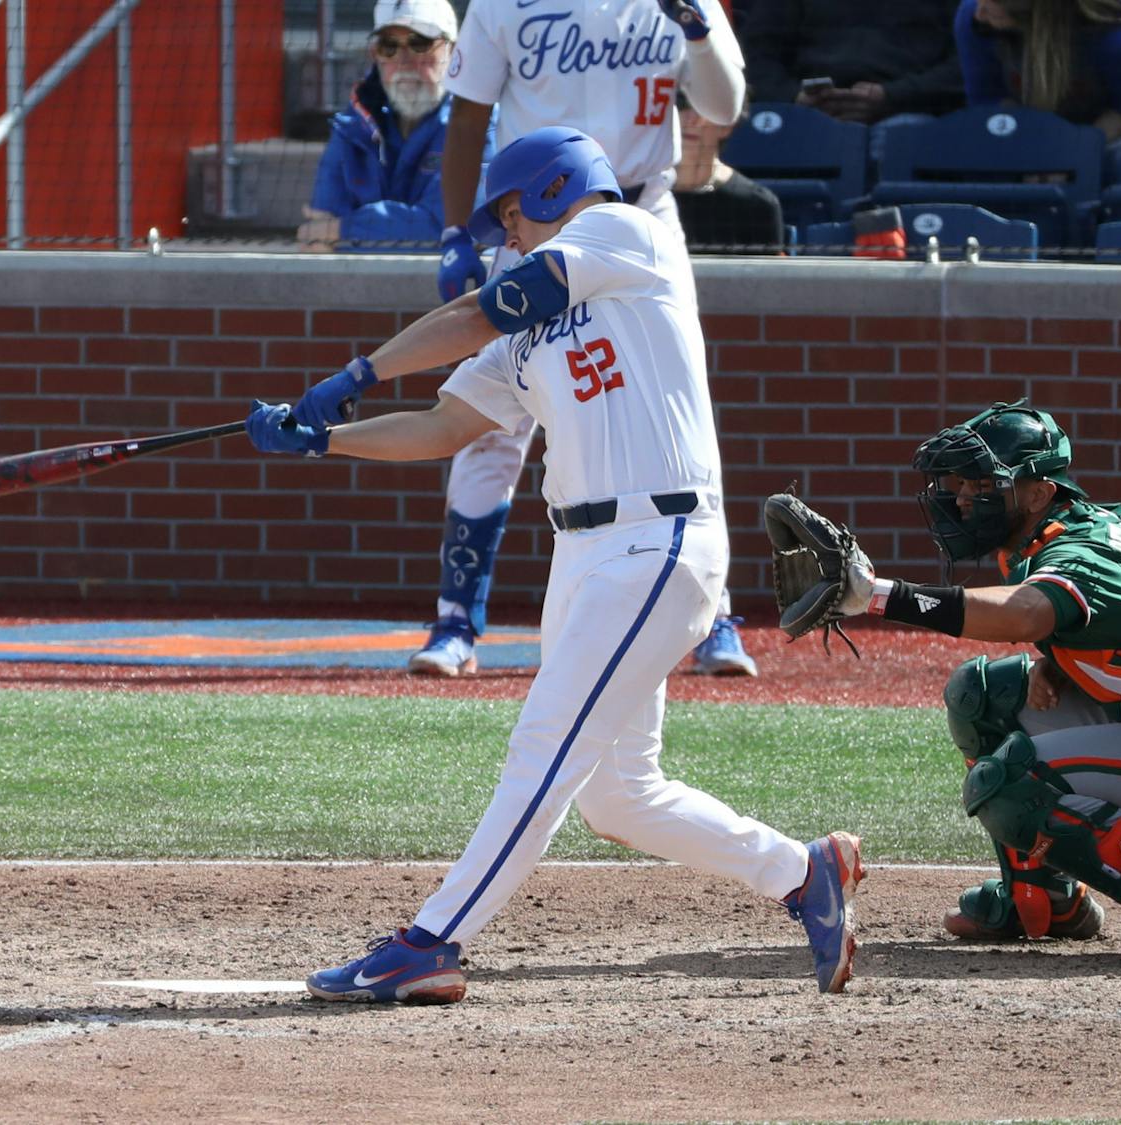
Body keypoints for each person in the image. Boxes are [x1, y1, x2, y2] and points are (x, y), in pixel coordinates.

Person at [248, 127, 864, 1002]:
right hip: (582, 553)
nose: (506, 235)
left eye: (511, 213)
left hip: (661, 540)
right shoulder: (525, 330)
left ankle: (432, 941)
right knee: (621, 795)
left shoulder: (625, 234)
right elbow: (443, 428)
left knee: (544, 745)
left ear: (551, 189)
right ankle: (805, 873)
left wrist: (358, 369)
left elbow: (473, 314)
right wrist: (326, 441)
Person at [408, 0, 761, 678]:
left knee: (677, 402)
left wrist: (696, 23)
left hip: (640, 208)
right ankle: (456, 618)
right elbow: (471, 111)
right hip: (533, 222)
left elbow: (723, 105)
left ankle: (711, 611)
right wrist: (458, 231)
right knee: (493, 419)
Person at [817, 400, 1121, 956]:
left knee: (1007, 782)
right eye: (959, 484)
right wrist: (1064, 655)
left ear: (1037, 493)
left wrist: (879, 597)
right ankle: (1045, 899)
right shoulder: (1046, 536)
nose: (960, 499)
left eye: (980, 485)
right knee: (983, 695)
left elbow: (1024, 613)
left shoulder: (1089, 550)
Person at [297, 0, 483, 252]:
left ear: (453, 51)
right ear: (375, 55)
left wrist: (341, 230)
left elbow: (452, 227)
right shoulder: (352, 126)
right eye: (389, 47)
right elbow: (317, 234)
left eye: (420, 44)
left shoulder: (477, 124)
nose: (404, 62)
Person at [739, 0, 965, 154]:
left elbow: (966, 65)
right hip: (807, 113)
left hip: (907, 112)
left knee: (904, 138)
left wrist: (893, 96)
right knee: (767, 133)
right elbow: (755, 57)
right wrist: (794, 97)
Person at [954, 0, 1121, 144]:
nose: (978, 14)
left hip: (1100, 135)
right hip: (1022, 131)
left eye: (992, 5)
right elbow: (988, 100)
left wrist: (1070, 152)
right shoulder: (973, 18)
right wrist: (1030, 148)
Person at [673, 96, 787, 253]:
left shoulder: (757, 205)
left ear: (727, 125)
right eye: (681, 105)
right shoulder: (637, 191)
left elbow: (769, 275)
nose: (693, 119)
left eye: (705, 109)